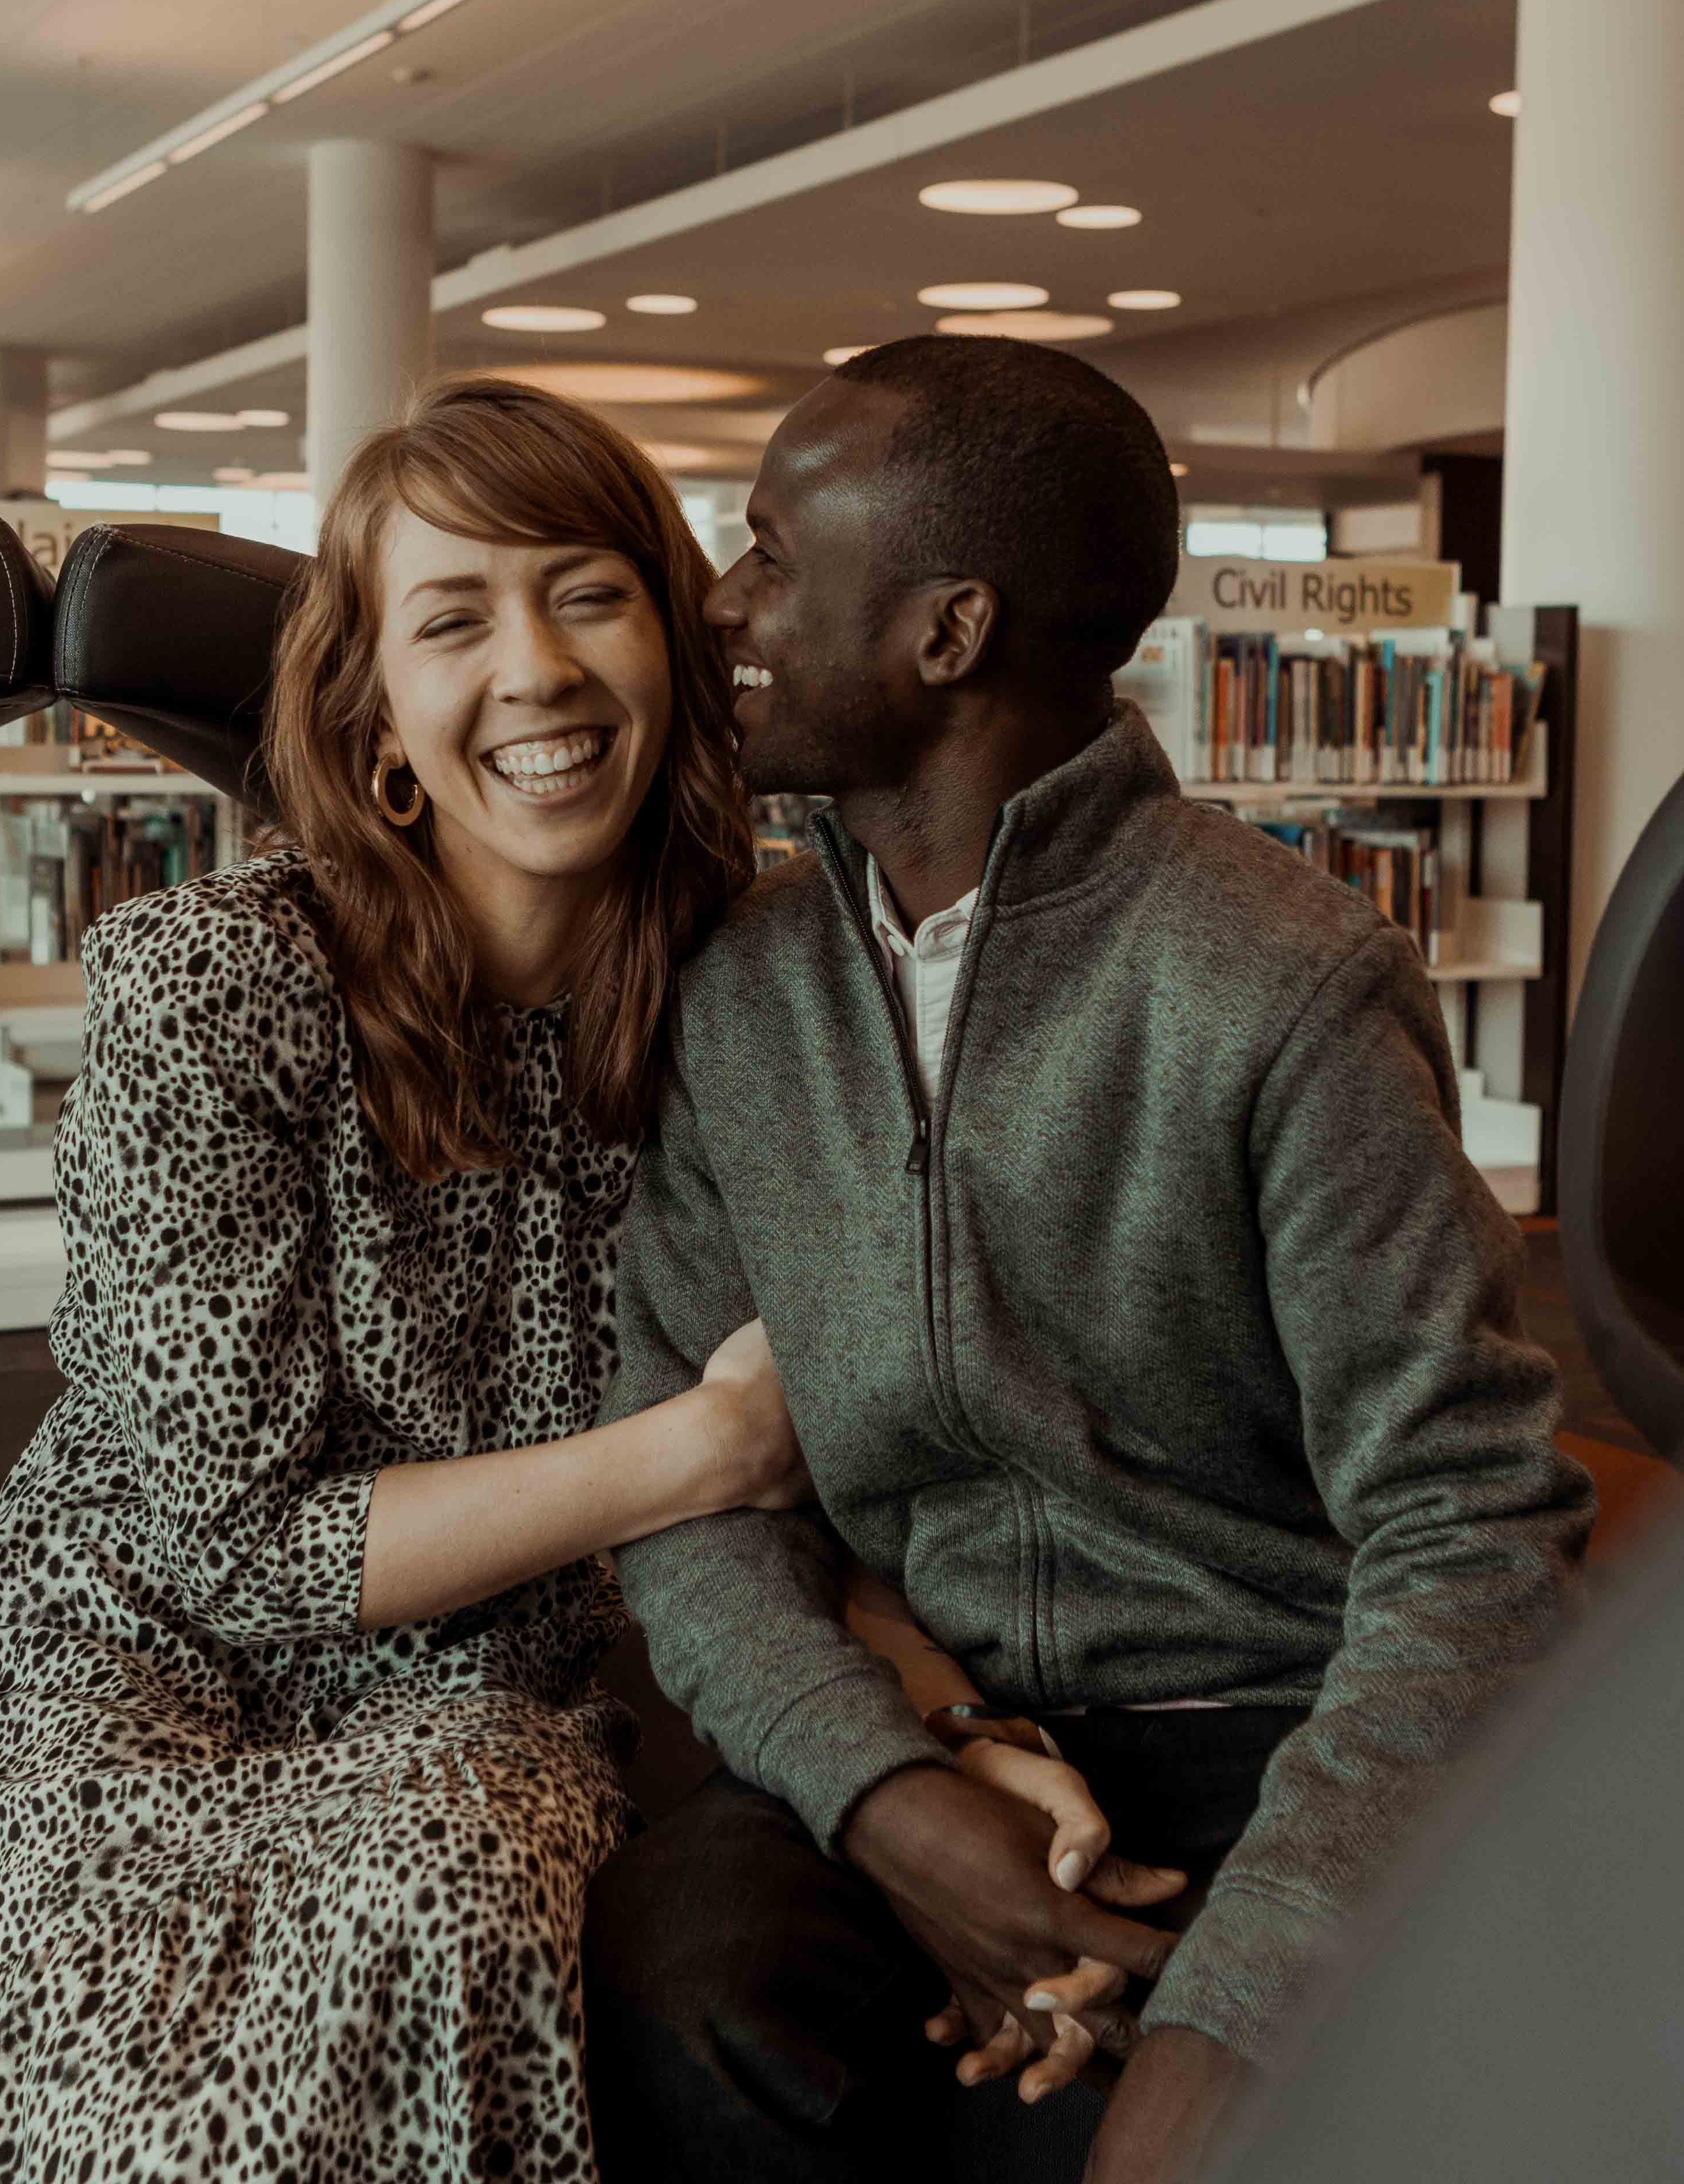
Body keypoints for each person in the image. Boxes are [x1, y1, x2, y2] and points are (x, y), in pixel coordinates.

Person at [583, 336, 1593, 2184]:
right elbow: (688, 1485)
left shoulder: (1279, 985)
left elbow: (1472, 1529)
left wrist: (1247, 1995)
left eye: (768, 557)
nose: (720, 606)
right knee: (678, 2010)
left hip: (1266, 1736)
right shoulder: (747, 990)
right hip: (911, 1696)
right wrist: (888, 1790)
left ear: (945, 633)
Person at [0, 377, 793, 2183]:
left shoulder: (759, 982)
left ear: (672, 637)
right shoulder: (214, 987)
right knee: (117, 2082)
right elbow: (243, 1548)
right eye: (454, 618)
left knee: (453, 1896)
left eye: (586, 590)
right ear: (383, 727)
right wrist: (702, 1450)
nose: (539, 668)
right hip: (129, 1659)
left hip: (482, 1686)